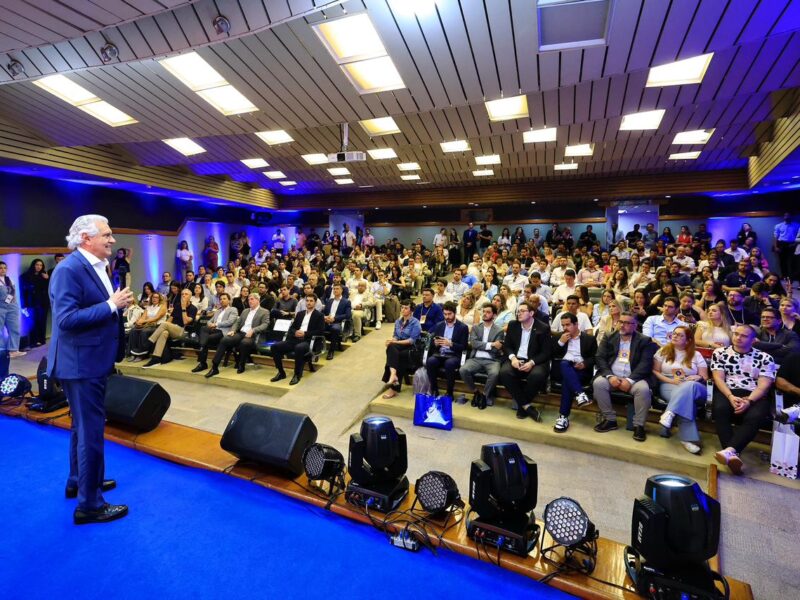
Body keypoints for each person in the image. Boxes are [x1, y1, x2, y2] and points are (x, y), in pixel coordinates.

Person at [48, 214, 134, 524]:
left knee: (81, 428)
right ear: (86, 239)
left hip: (89, 361)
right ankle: (91, 504)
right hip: (81, 365)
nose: (113, 240)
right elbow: (66, 320)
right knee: (91, 432)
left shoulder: (94, 265)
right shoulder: (69, 270)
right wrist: (112, 304)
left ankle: (81, 481)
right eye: (107, 235)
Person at [710, 324, 776, 475]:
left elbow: (763, 386)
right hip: (728, 390)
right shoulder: (720, 352)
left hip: (754, 394)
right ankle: (732, 454)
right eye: (736, 334)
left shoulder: (765, 358)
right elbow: (718, 379)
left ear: (753, 340)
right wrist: (731, 396)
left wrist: (749, 401)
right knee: (721, 409)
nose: (738, 338)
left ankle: (729, 451)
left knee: (755, 415)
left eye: (744, 336)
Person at [593, 311, 657, 442]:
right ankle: (610, 419)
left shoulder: (644, 340)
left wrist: (629, 380)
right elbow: (600, 358)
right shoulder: (609, 336)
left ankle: (639, 425)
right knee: (599, 383)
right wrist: (610, 376)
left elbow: (645, 364)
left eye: (627, 323)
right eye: (621, 322)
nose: (622, 325)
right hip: (613, 376)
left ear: (635, 325)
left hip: (634, 378)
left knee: (643, 390)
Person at [654, 326, 708, 454]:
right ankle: (687, 439)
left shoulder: (696, 354)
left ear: (688, 340)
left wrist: (698, 376)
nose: (675, 336)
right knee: (686, 401)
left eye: (680, 335)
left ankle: (670, 412)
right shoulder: (663, 351)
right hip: (669, 384)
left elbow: (705, 376)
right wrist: (671, 381)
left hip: (695, 387)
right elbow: (655, 371)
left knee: (689, 386)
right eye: (674, 334)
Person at [499, 301, 552, 422]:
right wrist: (513, 358)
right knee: (504, 373)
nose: (519, 313)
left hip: (535, 360)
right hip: (516, 359)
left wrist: (532, 362)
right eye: (518, 311)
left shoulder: (543, 328)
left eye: (523, 311)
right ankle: (527, 406)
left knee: (537, 375)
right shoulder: (513, 325)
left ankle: (522, 406)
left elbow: (546, 352)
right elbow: (507, 346)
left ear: (531, 313)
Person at [552, 312, 597, 433]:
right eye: (563, 325)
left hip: (581, 370)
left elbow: (594, 358)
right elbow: (551, 355)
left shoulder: (589, 339)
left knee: (568, 383)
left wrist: (585, 364)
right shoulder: (559, 337)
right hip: (563, 369)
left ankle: (563, 417)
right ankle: (580, 394)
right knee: (564, 363)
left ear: (576, 324)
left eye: (568, 325)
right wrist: (561, 342)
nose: (565, 328)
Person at [205, 293, 270, 377]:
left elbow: (265, 324)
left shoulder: (264, 311)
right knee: (225, 339)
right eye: (249, 299)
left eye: (252, 299)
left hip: (253, 335)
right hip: (241, 333)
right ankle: (214, 367)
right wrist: (233, 330)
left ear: (258, 300)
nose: (249, 301)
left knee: (244, 343)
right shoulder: (245, 311)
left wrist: (253, 330)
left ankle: (241, 364)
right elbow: (237, 322)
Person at [271, 294, 326, 385]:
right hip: (295, 339)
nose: (308, 303)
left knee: (299, 348)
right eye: (307, 300)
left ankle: (297, 374)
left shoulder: (319, 315)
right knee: (275, 347)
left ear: (315, 303)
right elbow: (292, 328)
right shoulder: (300, 314)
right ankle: (281, 372)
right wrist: (295, 332)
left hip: (309, 340)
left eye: (311, 301)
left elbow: (320, 331)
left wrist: (305, 333)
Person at [459, 303, 504, 408]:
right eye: (484, 312)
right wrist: (491, 344)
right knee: (463, 370)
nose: (485, 314)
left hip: (492, 360)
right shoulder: (475, 328)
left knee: (494, 373)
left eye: (488, 312)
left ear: (494, 315)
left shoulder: (499, 330)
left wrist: (482, 345)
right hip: (476, 358)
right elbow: (474, 344)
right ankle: (476, 392)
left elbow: (496, 349)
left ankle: (484, 395)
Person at [142, 288, 197, 368]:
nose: (183, 296)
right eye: (182, 294)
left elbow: (186, 322)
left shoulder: (193, 308)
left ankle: (149, 342)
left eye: (186, 294)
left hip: (183, 331)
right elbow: (170, 319)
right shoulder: (177, 305)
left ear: (190, 297)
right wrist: (164, 326)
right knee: (164, 332)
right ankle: (155, 359)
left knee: (164, 324)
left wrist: (184, 308)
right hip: (172, 329)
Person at [425, 301, 469, 399]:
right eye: (445, 314)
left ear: (454, 313)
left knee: (449, 364)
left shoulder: (463, 327)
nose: (447, 316)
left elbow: (464, 347)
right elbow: (433, 342)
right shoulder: (439, 325)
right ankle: (434, 389)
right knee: (431, 361)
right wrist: (435, 343)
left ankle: (449, 392)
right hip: (440, 353)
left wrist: (451, 344)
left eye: (449, 314)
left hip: (454, 355)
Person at [381, 299, 421, 399]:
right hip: (398, 346)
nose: (403, 310)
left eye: (406, 308)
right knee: (391, 348)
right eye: (402, 307)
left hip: (411, 348)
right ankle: (393, 376)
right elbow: (395, 335)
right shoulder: (398, 321)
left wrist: (394, 342)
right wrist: (392, 340)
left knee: (398, 354)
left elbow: (411, 341)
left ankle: (392, 384)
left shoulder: (415, 323)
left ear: (411, 310)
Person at [191, 293, 238, 373]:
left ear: (229, 300)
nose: (222, 300)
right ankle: (202, 356)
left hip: (223, 331)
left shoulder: (233, 309)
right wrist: (210, 324)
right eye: (220, 299)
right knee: (203, 328)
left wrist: (216, 324)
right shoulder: (218, 311)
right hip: (213, 330)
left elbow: (230, 322)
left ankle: (202, 359)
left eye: (224, 299)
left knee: (206, 339)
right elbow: (210, 320)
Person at [20, 258, 50, 347]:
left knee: (42, 321)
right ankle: (34, 340)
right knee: (33, 322)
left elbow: (49, 289)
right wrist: (24, 304)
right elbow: (23, 291)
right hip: (32, 302)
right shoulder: (26, 276)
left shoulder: (44, 276)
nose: (39, 267)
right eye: (37, 265)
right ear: (33, 265)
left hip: (43, 303)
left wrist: (47, 279)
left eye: (41, 265)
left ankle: (42, 339)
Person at [0, 261, 25, 358]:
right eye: (0, 268)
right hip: (1, 307)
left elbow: (13, 292)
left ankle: (13, 350)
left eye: (4, 268)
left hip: (12, 307)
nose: (3, 270)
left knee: (15, 329)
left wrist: (9, 300)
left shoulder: (9, 279)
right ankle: (1, 351)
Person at [323, 284, 352, 360]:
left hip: (337, 322)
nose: (335, 290)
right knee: (315, 326)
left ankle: (331, 351)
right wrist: (325, 317)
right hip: (326, 321)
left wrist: (334, 318)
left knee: (335, 329)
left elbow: (348, 315)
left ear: (341, 290)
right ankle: (316, 349)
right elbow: (323, 312)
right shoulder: (329, 301)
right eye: (334, 289)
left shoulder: (346, 302)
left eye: (337, 289)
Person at [773, 212, 799, 279]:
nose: (787, 216)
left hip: (792, 244)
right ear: (783, 216)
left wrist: (795, 244)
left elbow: (798, 236)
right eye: (785, 215)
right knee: (782, 261)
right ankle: (784, 276)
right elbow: (776, 237)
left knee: (792, 261)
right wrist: (776, 246)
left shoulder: (797, 225)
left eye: (788, 215)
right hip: (781, 244)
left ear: (791, 216)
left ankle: (791, 277)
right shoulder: (778, 226)